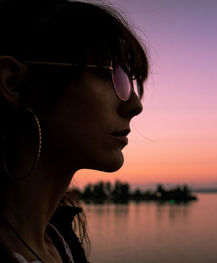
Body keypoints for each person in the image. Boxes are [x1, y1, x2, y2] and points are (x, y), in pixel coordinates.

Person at [0, 0, 149, 262]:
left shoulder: (63, 244)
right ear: (14, 82)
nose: (135, 105)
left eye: (130, 79)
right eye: (110, 74)